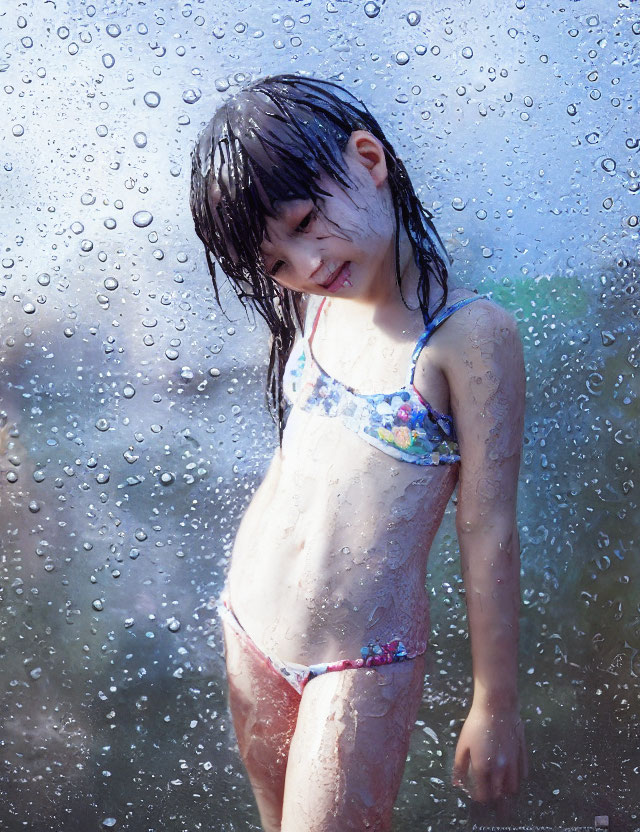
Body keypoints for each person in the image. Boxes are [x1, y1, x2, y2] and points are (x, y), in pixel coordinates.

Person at [190, 72, 528, 832]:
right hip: (249, 619)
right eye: (276, 262)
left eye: (307, 221)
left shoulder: (469, 338)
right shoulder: (316, 301)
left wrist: (495, 703)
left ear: (369, 160)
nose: (305, 265)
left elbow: (491, 531)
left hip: (356, 661)